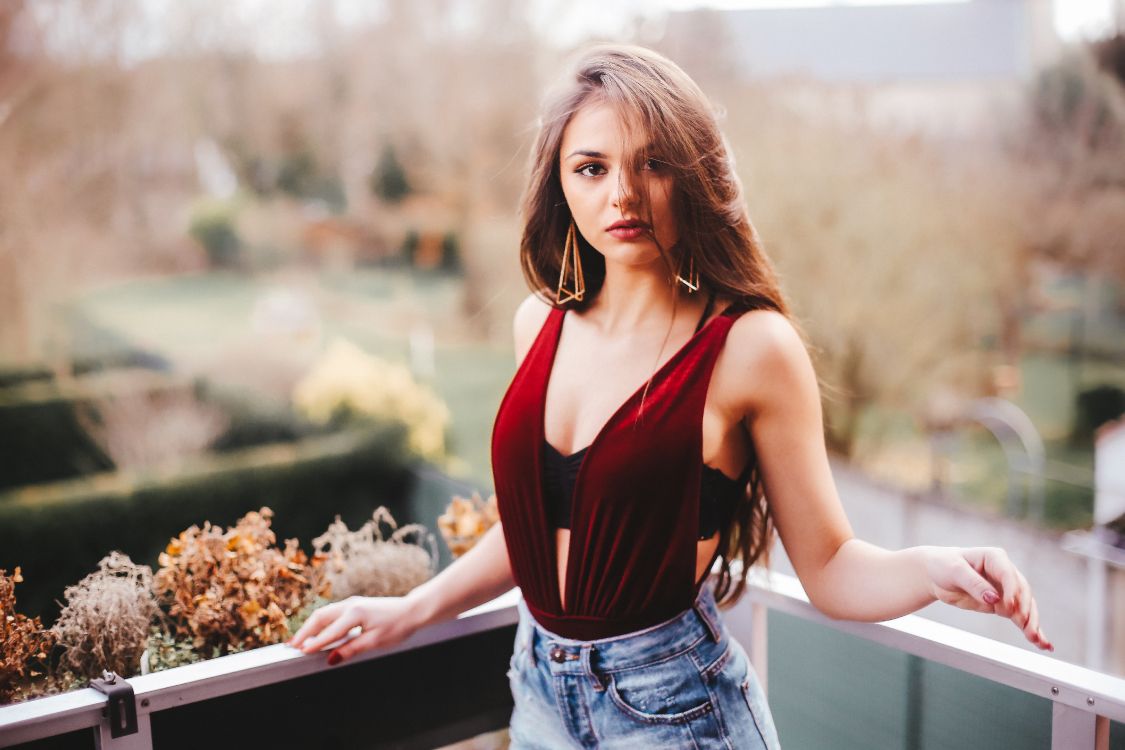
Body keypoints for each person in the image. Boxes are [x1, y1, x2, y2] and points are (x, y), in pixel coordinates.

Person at [289, 44, 1053, 748]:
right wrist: (409, 611)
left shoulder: (750, 349)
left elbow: (829, 565)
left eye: (651, 164)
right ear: (557, 179)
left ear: (692, 173)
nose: (621, 194)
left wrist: (929, 568)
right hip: (538, 691)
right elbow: (537, 529)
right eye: (590, 167)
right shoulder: (538, 325)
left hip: (674, 711)